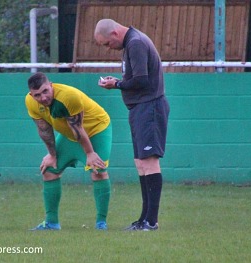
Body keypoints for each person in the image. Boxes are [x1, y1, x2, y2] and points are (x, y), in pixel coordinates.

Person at [94, 19, 170, 231]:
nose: (109, 49)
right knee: (140, 162)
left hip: (150, 107)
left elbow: (142, 81)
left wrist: (116, 84)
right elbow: (136, 78)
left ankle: (151, 222)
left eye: (107, 44)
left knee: (150, 161)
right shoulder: (130, 44)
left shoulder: (135, 43)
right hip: (139, 109)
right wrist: (118, 81)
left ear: (115, 33)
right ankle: (143, 219)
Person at [25, 72, 112, 231]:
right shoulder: (30, 102)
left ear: (51, 85)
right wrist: (52, 155)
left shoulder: (68, 97)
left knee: (98, 170)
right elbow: (44, 129)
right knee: (49, 170)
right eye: (37, 95)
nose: (43, 97)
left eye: (45, 91)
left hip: (96, 129)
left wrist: (90, 153)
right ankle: (51, 223)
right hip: (70, 135)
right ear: (31, 94)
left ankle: (101, 224)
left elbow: (78, 129)